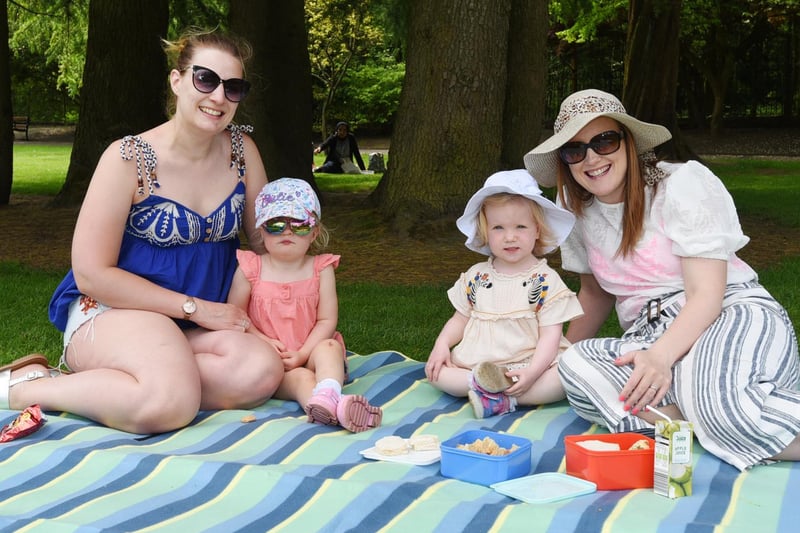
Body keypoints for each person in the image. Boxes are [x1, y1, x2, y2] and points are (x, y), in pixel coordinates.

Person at [0, 28, 284, 434]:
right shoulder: (127, 158)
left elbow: (262, 242)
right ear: (176, 80)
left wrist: (301, 282)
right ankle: (28, 387)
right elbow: (92, 274)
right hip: (116, 312)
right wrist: (196, 308)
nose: (219, 97)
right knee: (167, 403)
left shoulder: (242, 151)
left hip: (191, 326)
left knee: (259, 371)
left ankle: (151, 376)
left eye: (233, 87)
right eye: (206, 79)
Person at [523, 88, 800, 471]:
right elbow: (595, 293)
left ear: (629, 143)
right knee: (577, 369)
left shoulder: (681, 183)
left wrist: (661, 357)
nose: (591, 158)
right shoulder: (575, 207)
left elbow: (707, 294)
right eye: (575, 150)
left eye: (605, 141)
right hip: (646, 335)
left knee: (716, 408)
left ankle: (711, 413)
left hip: (726, 313)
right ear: (565, 162)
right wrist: (555, 353)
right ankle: (707, 413)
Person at [424, 169, 584, 418]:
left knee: (562, 377)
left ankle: (503, 398)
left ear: (537, 230)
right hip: (479, 364)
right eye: (498, 228)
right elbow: (460, 318)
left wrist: (532, 371)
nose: (510, 237)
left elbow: (550, 337)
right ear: (485, 232)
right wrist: (442, 344)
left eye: (520, 226)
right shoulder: (476, 276)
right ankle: (484, 387)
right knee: (436, 372)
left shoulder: (545, 281)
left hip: (529, 363)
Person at [228, 177, 382, 432]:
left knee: (330, 346)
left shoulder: (321, 269)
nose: (287, 231)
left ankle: (329, 391)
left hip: (310, 352)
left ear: (314, 232)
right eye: (276, 224)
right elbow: (236, 317)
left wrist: (303, 353)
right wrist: (265, 342)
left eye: (299, 224)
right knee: (301, 379)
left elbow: (326, 320)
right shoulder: (250, 268)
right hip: (269, 362)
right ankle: (338, 408)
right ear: (261, 230)